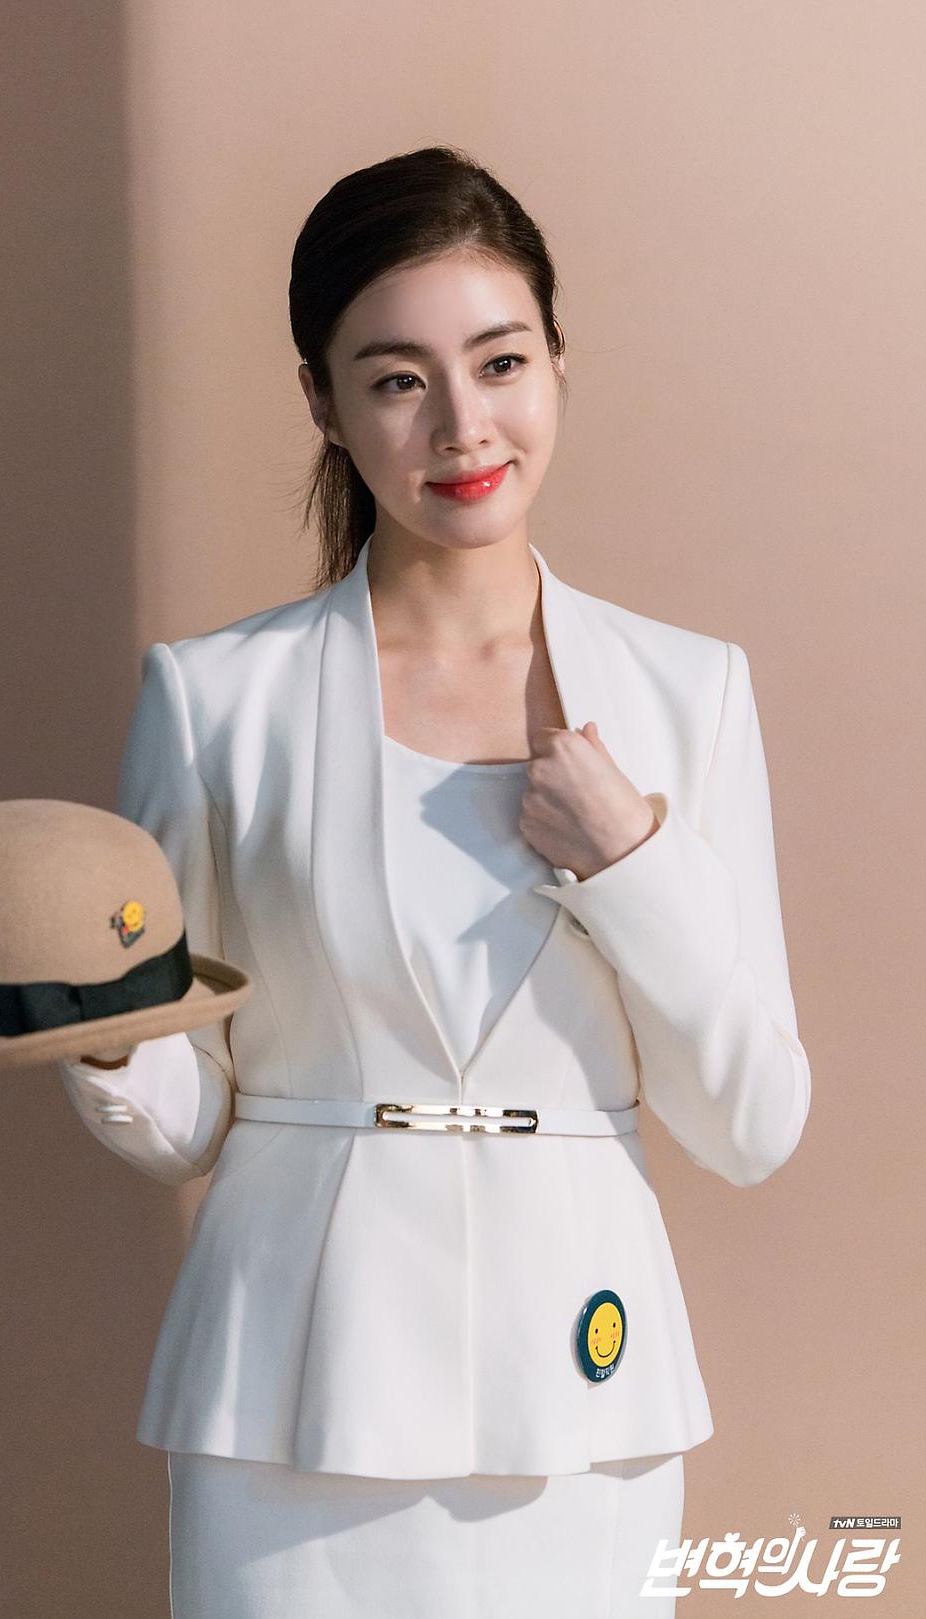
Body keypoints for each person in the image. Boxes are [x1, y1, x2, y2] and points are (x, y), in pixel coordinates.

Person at [58, 144, 811, 1618]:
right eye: (397, 379)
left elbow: (752, 1122)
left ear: (558, 362)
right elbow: (193, 1115)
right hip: (291, 1387)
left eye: (501, 361)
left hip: (583, 1391)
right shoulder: (216, 701)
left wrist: (633, 862)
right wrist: (96, 1034)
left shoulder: (691, 694)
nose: (464, 425)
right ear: (322, 402)